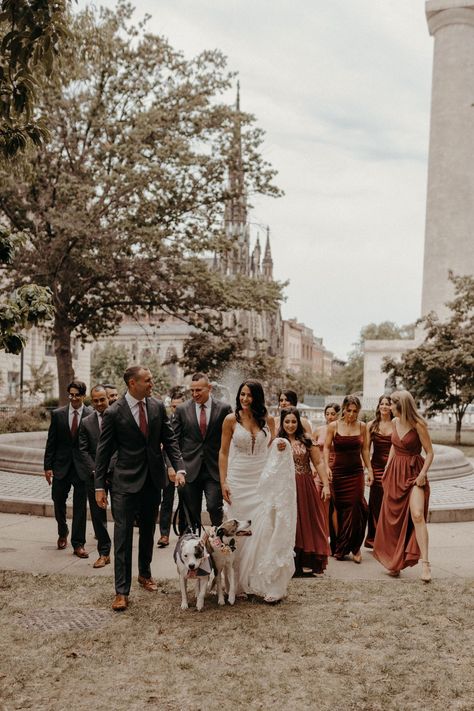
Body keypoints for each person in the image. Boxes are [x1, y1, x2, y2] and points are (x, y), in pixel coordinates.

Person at [95, 365, 186, 611]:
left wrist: (179, 467)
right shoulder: (114, 412)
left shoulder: (157, 407)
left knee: (148, 531)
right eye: (147, 380)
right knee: (122, 536)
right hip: (123, 481)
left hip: (153, 480)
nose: (152, 384)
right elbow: (103, 451)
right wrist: (98, 487)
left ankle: (145, 574)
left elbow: (170, 440)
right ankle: (121, 592)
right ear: (132, 383)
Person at [220, 379, 296, 603]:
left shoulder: (268, 420)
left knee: (262, 529)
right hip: (238, 479)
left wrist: (281, 445)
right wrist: (223, 481)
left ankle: (261, 581)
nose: (245, 399)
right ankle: (238, 584)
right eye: (242, 394)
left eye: (249, 395)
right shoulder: (230, 420)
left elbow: (272, 446)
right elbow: (223, 453)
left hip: (261, 481)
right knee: (239, 532)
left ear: (258, 397)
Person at [373, 390, 433, 582]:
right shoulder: (395, 422)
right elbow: (394, 445)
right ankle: (395, 562)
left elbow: (430, 452)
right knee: (395, 520)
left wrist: (423, 474)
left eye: (392, 404)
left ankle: (425, 565)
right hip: (395, 474)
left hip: (414, 472)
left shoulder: (418, 425)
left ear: (401, 406)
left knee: (417, 514)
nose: (388, 407)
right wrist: (388, 468)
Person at [173, 373, 232, 532]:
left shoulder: (224, 409)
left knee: (214, 507)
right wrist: (175, 467)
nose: (194, 394)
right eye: (192, 391)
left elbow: (232, 439)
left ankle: (216, 540)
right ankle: (192, 545)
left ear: (209, 388)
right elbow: (174, 442)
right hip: (190, 469)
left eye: (198, 390)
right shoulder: (182, 409)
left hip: (214, 469)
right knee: (192, 512)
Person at [279, 406, 331, 576]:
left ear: (298, 422)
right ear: (282, 422)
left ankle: (304, 562)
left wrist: (326, 485)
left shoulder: (306, 440)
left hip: (304, 485)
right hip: (285, 487)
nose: (290, 425)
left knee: (307, 523)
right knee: (288, 523)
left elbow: (319, 463)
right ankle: (289, 563)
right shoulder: (278, 441)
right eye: (287, 421)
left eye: (294, 421)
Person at [44, 380, 93, 558]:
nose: (73, 398)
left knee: (80, 507)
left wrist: (93, 467)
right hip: (61, 466)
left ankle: (78, 543)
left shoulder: (91, 414)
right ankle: (62, 531)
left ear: (83, 396)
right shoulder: (58, 414)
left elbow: (94, 444)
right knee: (58, 500)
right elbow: (51, 442)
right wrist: (47, 467)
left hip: (82, 468)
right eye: (70, 394)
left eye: (76, 395)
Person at [324, 394, 372, 563]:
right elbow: (326, 448)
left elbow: (365, 450)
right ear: (343, 409)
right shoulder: (333, 426)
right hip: (338, 473)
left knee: (357, 508)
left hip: (356, 472)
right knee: (340, 509)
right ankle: (340, 546)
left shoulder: (363, 426)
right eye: (349, 410)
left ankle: (355, 547)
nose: (351, 414)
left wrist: (370, 470)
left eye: (355, 411)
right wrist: (326, 467)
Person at [78, 384, 112, 568]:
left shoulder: (118, 417)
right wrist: (96, 471)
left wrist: (110, 468)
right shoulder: (86, 422)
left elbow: (123, 446)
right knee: (98, 516)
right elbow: (83, 450)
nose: (99, 403)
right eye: (96, 400)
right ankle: (104, 552)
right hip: (94, 476)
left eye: (102, 399)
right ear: (92, 401)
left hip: (117, 474)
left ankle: (122, 553)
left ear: (108, 398)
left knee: (121, 514)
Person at [157, 388, 186, 548]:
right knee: (166, 501)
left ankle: (183, 532)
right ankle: (164, 534)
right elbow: (167, 446)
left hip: (185, 466)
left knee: (184, 501)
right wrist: (170, 467)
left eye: (178, 406)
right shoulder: (166, 420)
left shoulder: (188, 419)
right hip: (169, 466)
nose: (176, 410)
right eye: (174, 407)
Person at [364, 395, 393, 549]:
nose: (384, 407)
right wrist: (369, 470)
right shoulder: (371, 425)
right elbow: (366, 449)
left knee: (390, 504)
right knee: (375, 504)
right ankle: (374, 539)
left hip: (393, 468)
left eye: (387, 404)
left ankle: (389, 538)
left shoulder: (397, 424)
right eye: (382, 404)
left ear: (392, 407)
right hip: (376, 467)